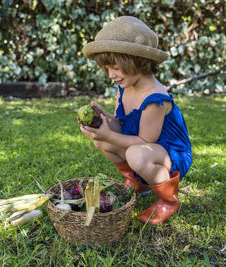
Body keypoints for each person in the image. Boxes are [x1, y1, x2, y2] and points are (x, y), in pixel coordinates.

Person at [80, 16, 192, 224]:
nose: (111, 74)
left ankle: (168, 199)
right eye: (106, 69)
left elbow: (144, 143)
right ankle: (137, 182)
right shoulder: (124, 86)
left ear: (137, 62)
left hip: (169, 154)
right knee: (101, 140)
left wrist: (110, 135)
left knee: (136, 155)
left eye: (115, 67)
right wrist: (104, 119)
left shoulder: (154, 99)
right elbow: (121, 124)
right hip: (143, 147)